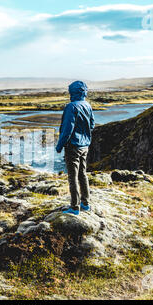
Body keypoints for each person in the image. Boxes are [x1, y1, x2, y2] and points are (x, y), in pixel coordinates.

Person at [56, 81, 95, 216]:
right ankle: (86, 203)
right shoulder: (87, 105)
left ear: (73, 92)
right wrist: (85, 136)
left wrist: (60, 145)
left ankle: (74, 207)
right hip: (85, 145)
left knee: (73, 177)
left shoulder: (71, 107)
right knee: (83, 174)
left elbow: (67, 129)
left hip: (73, 146)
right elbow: (92, 124)